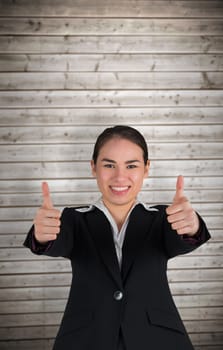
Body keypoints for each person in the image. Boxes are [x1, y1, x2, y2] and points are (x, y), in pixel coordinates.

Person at [24, 125, 211, 350]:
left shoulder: (163, 218)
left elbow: (184, 238)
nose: (120, 176)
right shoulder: (73, 219)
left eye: (131, 165)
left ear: (146, 168)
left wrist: (192, 226)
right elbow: (53, 241)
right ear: (93, 167)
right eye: (109, 165)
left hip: (159, 339)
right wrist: (41, 235)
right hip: (86, 340)